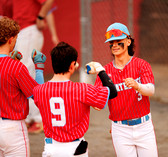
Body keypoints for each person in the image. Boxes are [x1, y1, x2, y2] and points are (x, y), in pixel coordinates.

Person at [32, 41, 117, 157]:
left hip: (51, 149)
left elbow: (37, 86)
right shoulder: (81, 89)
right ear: (72, 66)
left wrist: (39, 68)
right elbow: (112, 92)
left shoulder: (39, 90)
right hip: (75, 149)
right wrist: (101, 71)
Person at [94, 22, 158, 157]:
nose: (114, 45)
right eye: (111, 42)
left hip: (144, 126)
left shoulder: (141, 65)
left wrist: (137, 86)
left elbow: (151, 90)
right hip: (120, 129)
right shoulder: (104, 72)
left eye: (119, 41)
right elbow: (98, 102)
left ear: (128, 41)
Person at [0, 16, 46, 157]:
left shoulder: (14, 65)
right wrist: (39, 68)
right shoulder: (16, 67)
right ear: (11, 39)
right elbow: (38, 95)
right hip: (13, 129)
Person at [12, 0, 58, 133]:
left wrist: (40, 17)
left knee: (27, 73)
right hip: (21, 30)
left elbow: (49, 2)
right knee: (23, 73)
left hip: (29, 29)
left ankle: (38, 118)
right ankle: (29, 117)